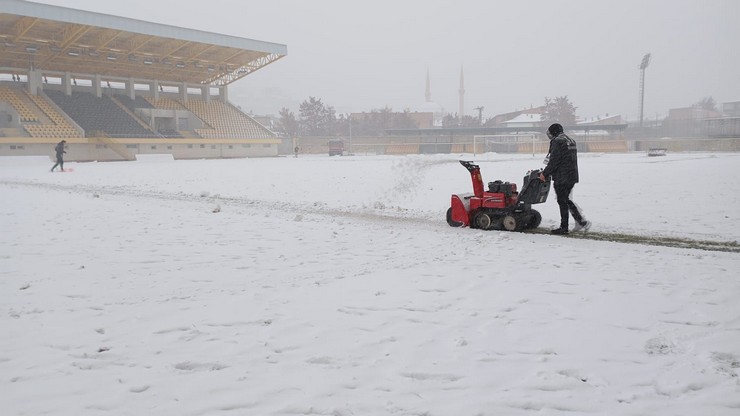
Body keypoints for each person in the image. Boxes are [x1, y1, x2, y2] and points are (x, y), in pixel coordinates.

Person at [539, 123, 591, 234]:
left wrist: (545, 173)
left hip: (562, 176)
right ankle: (580, 222)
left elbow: (554, 161)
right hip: (572, 175)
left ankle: (565, 227)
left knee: (562, 201)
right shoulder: (571, 140)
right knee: (566, 199)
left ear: (553, 132)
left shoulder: (557, 141)